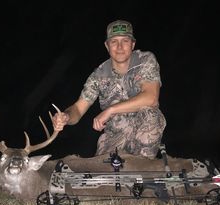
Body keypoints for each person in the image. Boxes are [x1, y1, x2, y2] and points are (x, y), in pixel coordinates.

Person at [52, 20, 166, 159]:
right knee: (102, 171)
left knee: (150, 114)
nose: (119, 47)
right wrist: (66, 116)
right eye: (114, 42)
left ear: (133, 44)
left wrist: (110, 110)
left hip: (143, 131)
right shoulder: (98, 76)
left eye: (125, 41)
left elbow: (151, 98)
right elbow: (78, 109)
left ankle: (143, 166)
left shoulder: (145, 60)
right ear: (107, 46)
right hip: (115, 135)